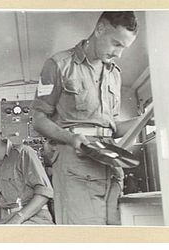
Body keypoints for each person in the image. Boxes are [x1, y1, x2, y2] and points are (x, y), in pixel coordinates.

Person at [31, 11, 139, 225]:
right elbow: (38, 119)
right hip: (76, 166)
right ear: (100, 29)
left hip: (111, 166)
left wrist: (145, 120)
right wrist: (71, 138)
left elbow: (111, 128)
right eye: (116, 44)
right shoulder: (59, 64)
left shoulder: (114, 73)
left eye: (124, 48)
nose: (119, 54)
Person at [0, 120, 54, 224]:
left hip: (35, 220)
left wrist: (18, 218)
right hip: (9, 219)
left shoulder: (23, 153)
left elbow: (45, 192)